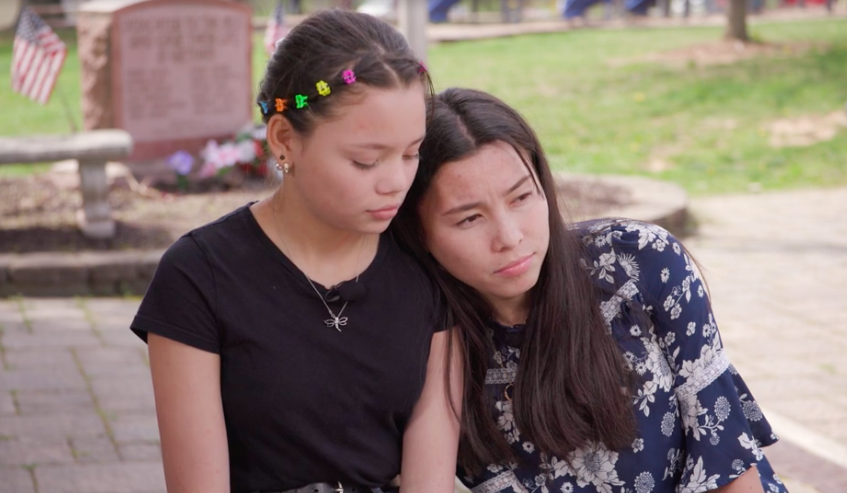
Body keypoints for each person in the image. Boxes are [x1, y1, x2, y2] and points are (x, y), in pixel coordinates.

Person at [392, 88, 787, 493]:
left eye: (522, 197)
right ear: (419, 232)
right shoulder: (426, 344)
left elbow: (727, 459)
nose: (509, 237)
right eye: (470, 218)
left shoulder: (637, 263)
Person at [130, 10, 459, 493]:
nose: (396, 182)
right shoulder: (200, 276)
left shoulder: (425, 269)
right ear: (285, 141)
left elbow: (430, 474)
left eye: (412, 153)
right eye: (366, 160)